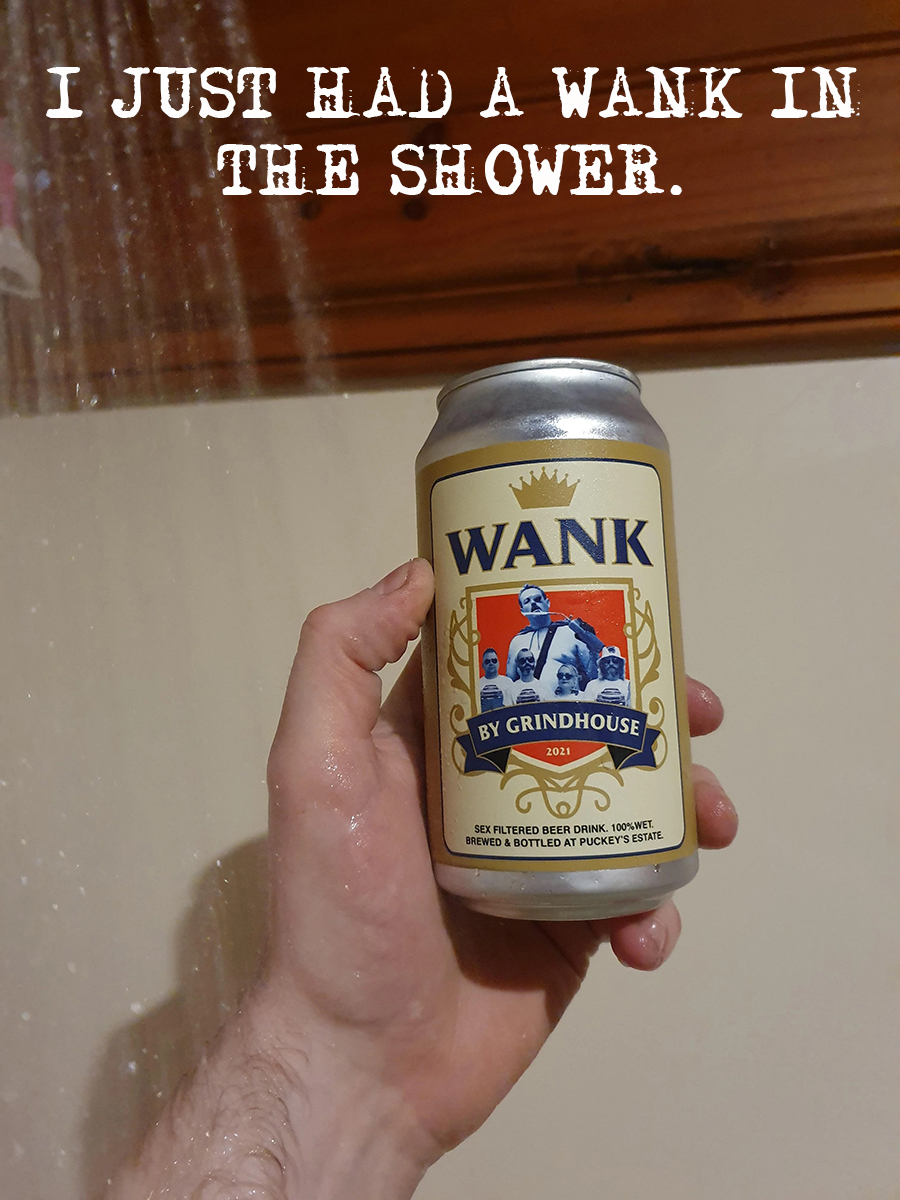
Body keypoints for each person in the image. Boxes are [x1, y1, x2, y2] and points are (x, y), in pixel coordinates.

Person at [108, 560, 737, 1199]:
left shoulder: (572, 636)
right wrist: (330, 1034)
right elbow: (509, 685)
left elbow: (601, 668)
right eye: (525, 602)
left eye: (537, 601)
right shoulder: (520, 644)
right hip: (501, 799)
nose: (532, 608)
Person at [506, 584, 603, 687]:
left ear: (547, 603)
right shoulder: (517, 642)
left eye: (537, 599)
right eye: (527, 601)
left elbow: (594, 676)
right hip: (530, 696)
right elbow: (509, 684)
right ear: (522, 611)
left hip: (567, 696)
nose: (533, 603)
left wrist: (593, 651)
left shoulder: (572, 632)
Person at [478, 646, 516, 711]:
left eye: (494, 660)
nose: (491, 663)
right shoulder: (478, 684)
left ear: (498, 663)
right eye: (487, 661)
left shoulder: (508, 682)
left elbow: (514, 706)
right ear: (482, 665)